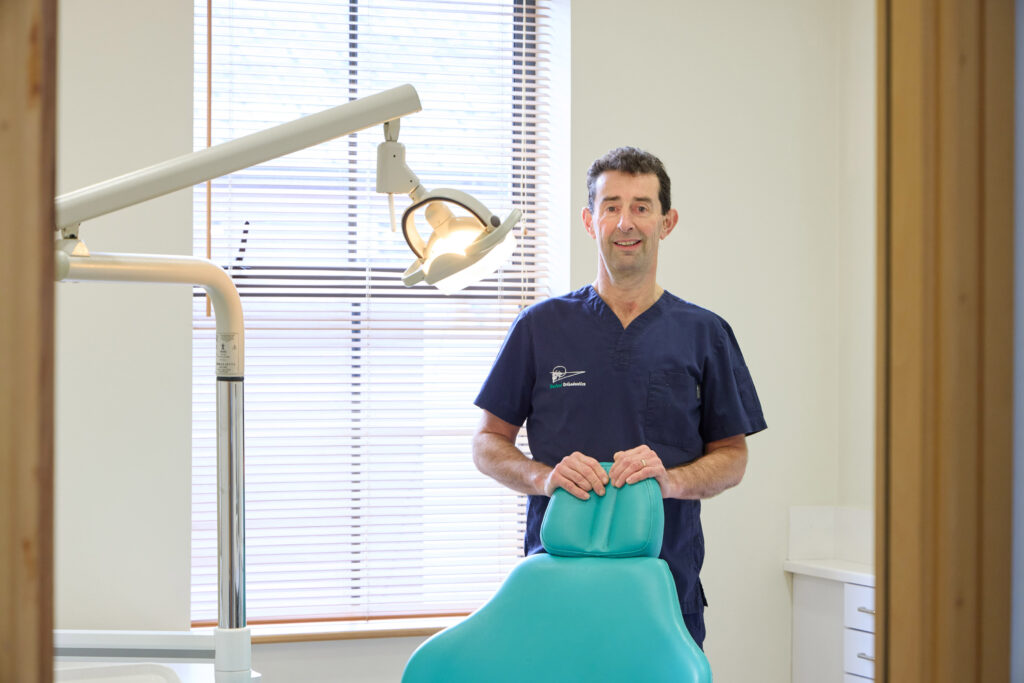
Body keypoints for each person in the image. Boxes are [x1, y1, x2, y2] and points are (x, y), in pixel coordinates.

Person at [471, 146, 766, 649]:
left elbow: (733, 459)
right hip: (557, 588)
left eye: (641, 206)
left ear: (666, 222)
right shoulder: (540, 328)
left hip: (665, 590)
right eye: (611, 206)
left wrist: (669, 482)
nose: (625, 222)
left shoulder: (705, 333)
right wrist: (543, 477)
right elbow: (487, 443)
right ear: (590, 220)